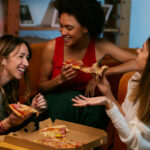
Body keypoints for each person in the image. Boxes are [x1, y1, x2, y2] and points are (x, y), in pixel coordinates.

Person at [38, 0, 136, 128]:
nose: (62, 32)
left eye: (69, 28)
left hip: (86, 109)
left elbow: (138, 61)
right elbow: (41, 85)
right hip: (56, 105)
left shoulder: (99, 45)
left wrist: (100, 73)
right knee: (70, 101)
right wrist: (60, 79)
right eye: (61, 26)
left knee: (95, 112)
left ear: (85, 27)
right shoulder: (51, 47)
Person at [72, 37, 150, 150]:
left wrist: (108, 104)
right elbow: (126, 118)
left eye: (142, 50)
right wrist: (107, 92)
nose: (137, 51)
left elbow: (136, 143)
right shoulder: (136, 80)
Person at [0, 35, 47, 134]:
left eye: (27, 58)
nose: (27, 63)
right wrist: (8, 123)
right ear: (3, 59)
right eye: (21, 56)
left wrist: (32, 110)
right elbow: (8, 124)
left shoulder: (10, 85)